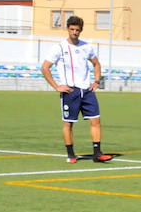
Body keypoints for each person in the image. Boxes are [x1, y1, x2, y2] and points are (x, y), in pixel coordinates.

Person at [40, 15, 113, 163]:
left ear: (81, 31)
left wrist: (96, 82)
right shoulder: (59, 48)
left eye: (77, 30)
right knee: (68, 123)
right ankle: (71, 154)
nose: (74, 32)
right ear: (67, 29)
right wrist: (56, 86)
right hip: (70, 91)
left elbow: (96, 64)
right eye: (72, 29)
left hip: (87, 91)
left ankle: (97, 153)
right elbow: (45, 68)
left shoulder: (86, 47)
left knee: (96, 120)